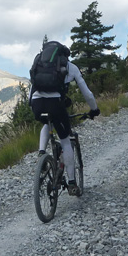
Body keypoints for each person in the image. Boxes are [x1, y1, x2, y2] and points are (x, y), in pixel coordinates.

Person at [30, 41, 99, 196]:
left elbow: (32, 87)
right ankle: (73, 183)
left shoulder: (39, 63)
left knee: (47, 122)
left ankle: (41, 153)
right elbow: (87, 94)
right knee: (66, 139)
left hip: (36, 104)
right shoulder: (70, 67)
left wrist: (32, 107)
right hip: (55, 104)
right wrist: (94, 109)